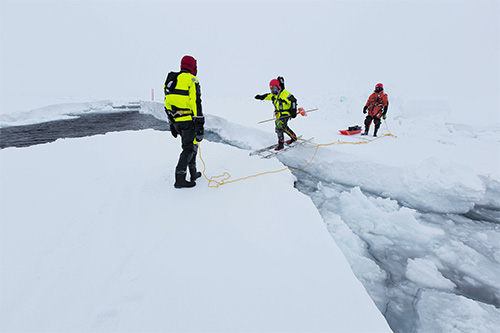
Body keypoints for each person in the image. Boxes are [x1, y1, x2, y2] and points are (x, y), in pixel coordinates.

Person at [164, 55, 205, 188]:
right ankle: (179, 178)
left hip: (177, 121)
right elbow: (196, 102)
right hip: (188, 121)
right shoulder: (191, 79)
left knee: (192, 145)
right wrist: (200, 124)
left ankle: (193, 173)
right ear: (193, 67)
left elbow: (167, 103)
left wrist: (171, 123)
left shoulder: (171, 80)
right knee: (188, 148)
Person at [254, 76, 298, 150]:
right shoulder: (273, 95)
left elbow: (293, 100)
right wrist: (261, 97)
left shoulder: (285, 94)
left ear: (278, 86)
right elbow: (267, 96)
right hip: (279, 114)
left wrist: (294, 111)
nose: (273, 90)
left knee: (279, 127)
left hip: (286, 113)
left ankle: (281, 144)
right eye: (271, 89)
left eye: (274, 88)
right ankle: (293, 137)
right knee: (283, 127)